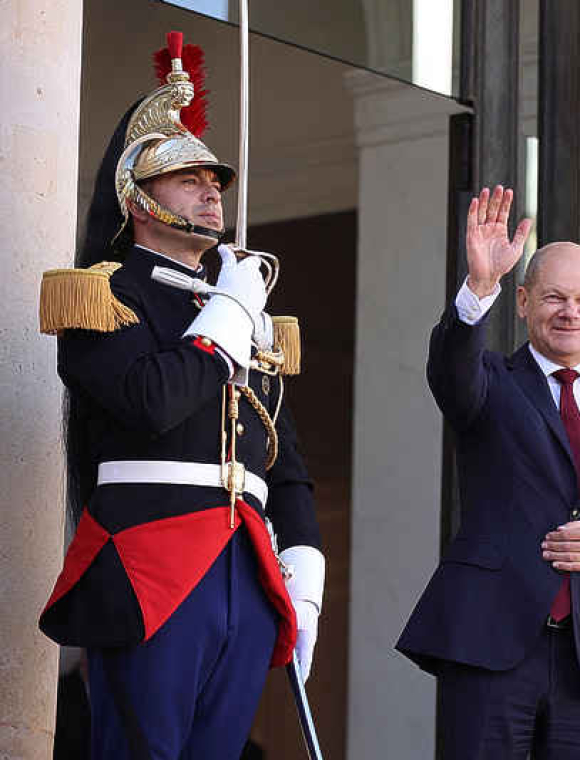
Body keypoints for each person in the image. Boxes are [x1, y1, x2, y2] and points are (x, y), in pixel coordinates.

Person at [37, 34, 323, 759]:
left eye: (216, 181)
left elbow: (279, 459)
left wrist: (305, 576)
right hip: (149, 569)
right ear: (137, 197)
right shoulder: (103, 296)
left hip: (245, 572)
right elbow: (152, 401)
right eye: (188, 179)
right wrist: (227, 311)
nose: (211, 190)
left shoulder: (245, 313)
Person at [397, 186, 580, 759]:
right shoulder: (489, 381)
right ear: (523, 301)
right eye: (553, 297)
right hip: (489, 642)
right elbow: (449, 372)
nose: (569, 312)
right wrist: (478, 288)